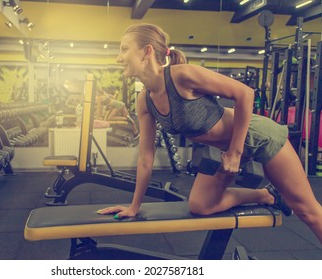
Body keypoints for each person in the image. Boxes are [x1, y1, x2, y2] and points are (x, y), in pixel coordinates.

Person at [97, 23, 322, 243]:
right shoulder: (144, 100)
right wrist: (134, 206)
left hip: (258, 137)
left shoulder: (181, 75)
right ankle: (267, 195)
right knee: (201, 206)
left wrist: (235, 151)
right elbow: (146, 157)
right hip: (224, 151)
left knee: (308, 212)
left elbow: (245, 93)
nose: (119, 57)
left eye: (124, 49)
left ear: (146, 51)